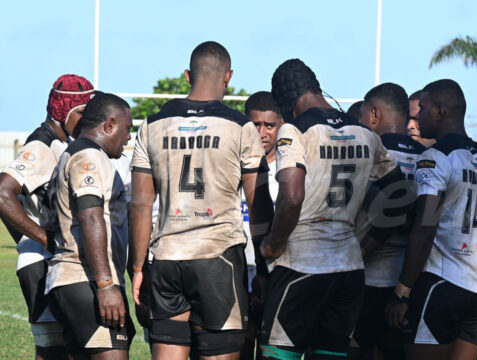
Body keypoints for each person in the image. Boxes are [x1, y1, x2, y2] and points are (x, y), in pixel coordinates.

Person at [130, 41, 273, 360]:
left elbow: (140, 205)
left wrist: (138, 267)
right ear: (229, 77)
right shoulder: (240, 126)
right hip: (217, 258)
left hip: (166, 259)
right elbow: (259, 204)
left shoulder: (151, 124)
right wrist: (264, 267)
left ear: (186, 75)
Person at [259, 59, 403, 360]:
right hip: (348, 269)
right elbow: (402, 195)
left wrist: (274, 244)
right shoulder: (365, 133)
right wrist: (369, 244)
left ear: (286, 100)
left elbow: (291, 197)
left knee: (277, 355)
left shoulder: (295, 130)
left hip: (301, 265)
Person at [386, 79, 477, 360]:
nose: (417, 117)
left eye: (422, 110)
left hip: (442, 285)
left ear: (440, 111)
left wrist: (402, 292)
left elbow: (425, 226)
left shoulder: (435, 158)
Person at [0, 74, 94, 360]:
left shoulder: (62, 143)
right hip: (42, 263)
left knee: (65, 348)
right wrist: (42, 238)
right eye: (86, 113)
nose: (91, 120)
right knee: (54, 351)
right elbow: (3, 193)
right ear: (68, 112)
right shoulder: (41, 147)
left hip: (48, 260)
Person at [45, 92, 134, 359]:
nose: (129, 137)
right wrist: (106, 286)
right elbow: (91, 216)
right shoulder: (89, 158)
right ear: (109, 125)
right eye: (127, 129)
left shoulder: (75, 153)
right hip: (85, 279)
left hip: (74, 280)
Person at [351, 82, 426, 360]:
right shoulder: (427, 158)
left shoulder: (368, 153)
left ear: (374, 113)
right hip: (408, 279)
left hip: (367, 275)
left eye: (361, 117)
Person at [240, 91, 284, 360]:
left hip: (276, 276)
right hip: (237, 275)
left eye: (270, 125)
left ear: (281, 125)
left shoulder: (291, 169)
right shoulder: (231, 166)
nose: (262, 133)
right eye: (255, 125)